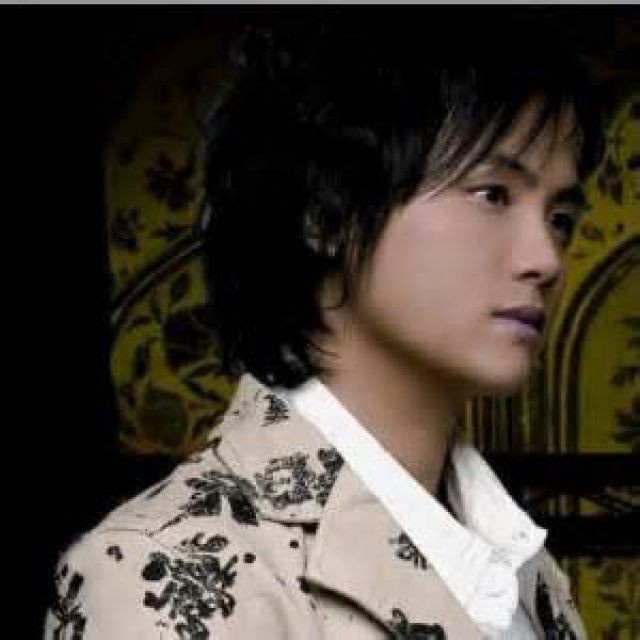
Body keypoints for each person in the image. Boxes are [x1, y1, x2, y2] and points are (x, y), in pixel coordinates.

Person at [45, 11, 604, 639]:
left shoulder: (517, 560)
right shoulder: (156, 572)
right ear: (327, 214)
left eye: (559, 217)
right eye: (492, 195)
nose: (546, 258)